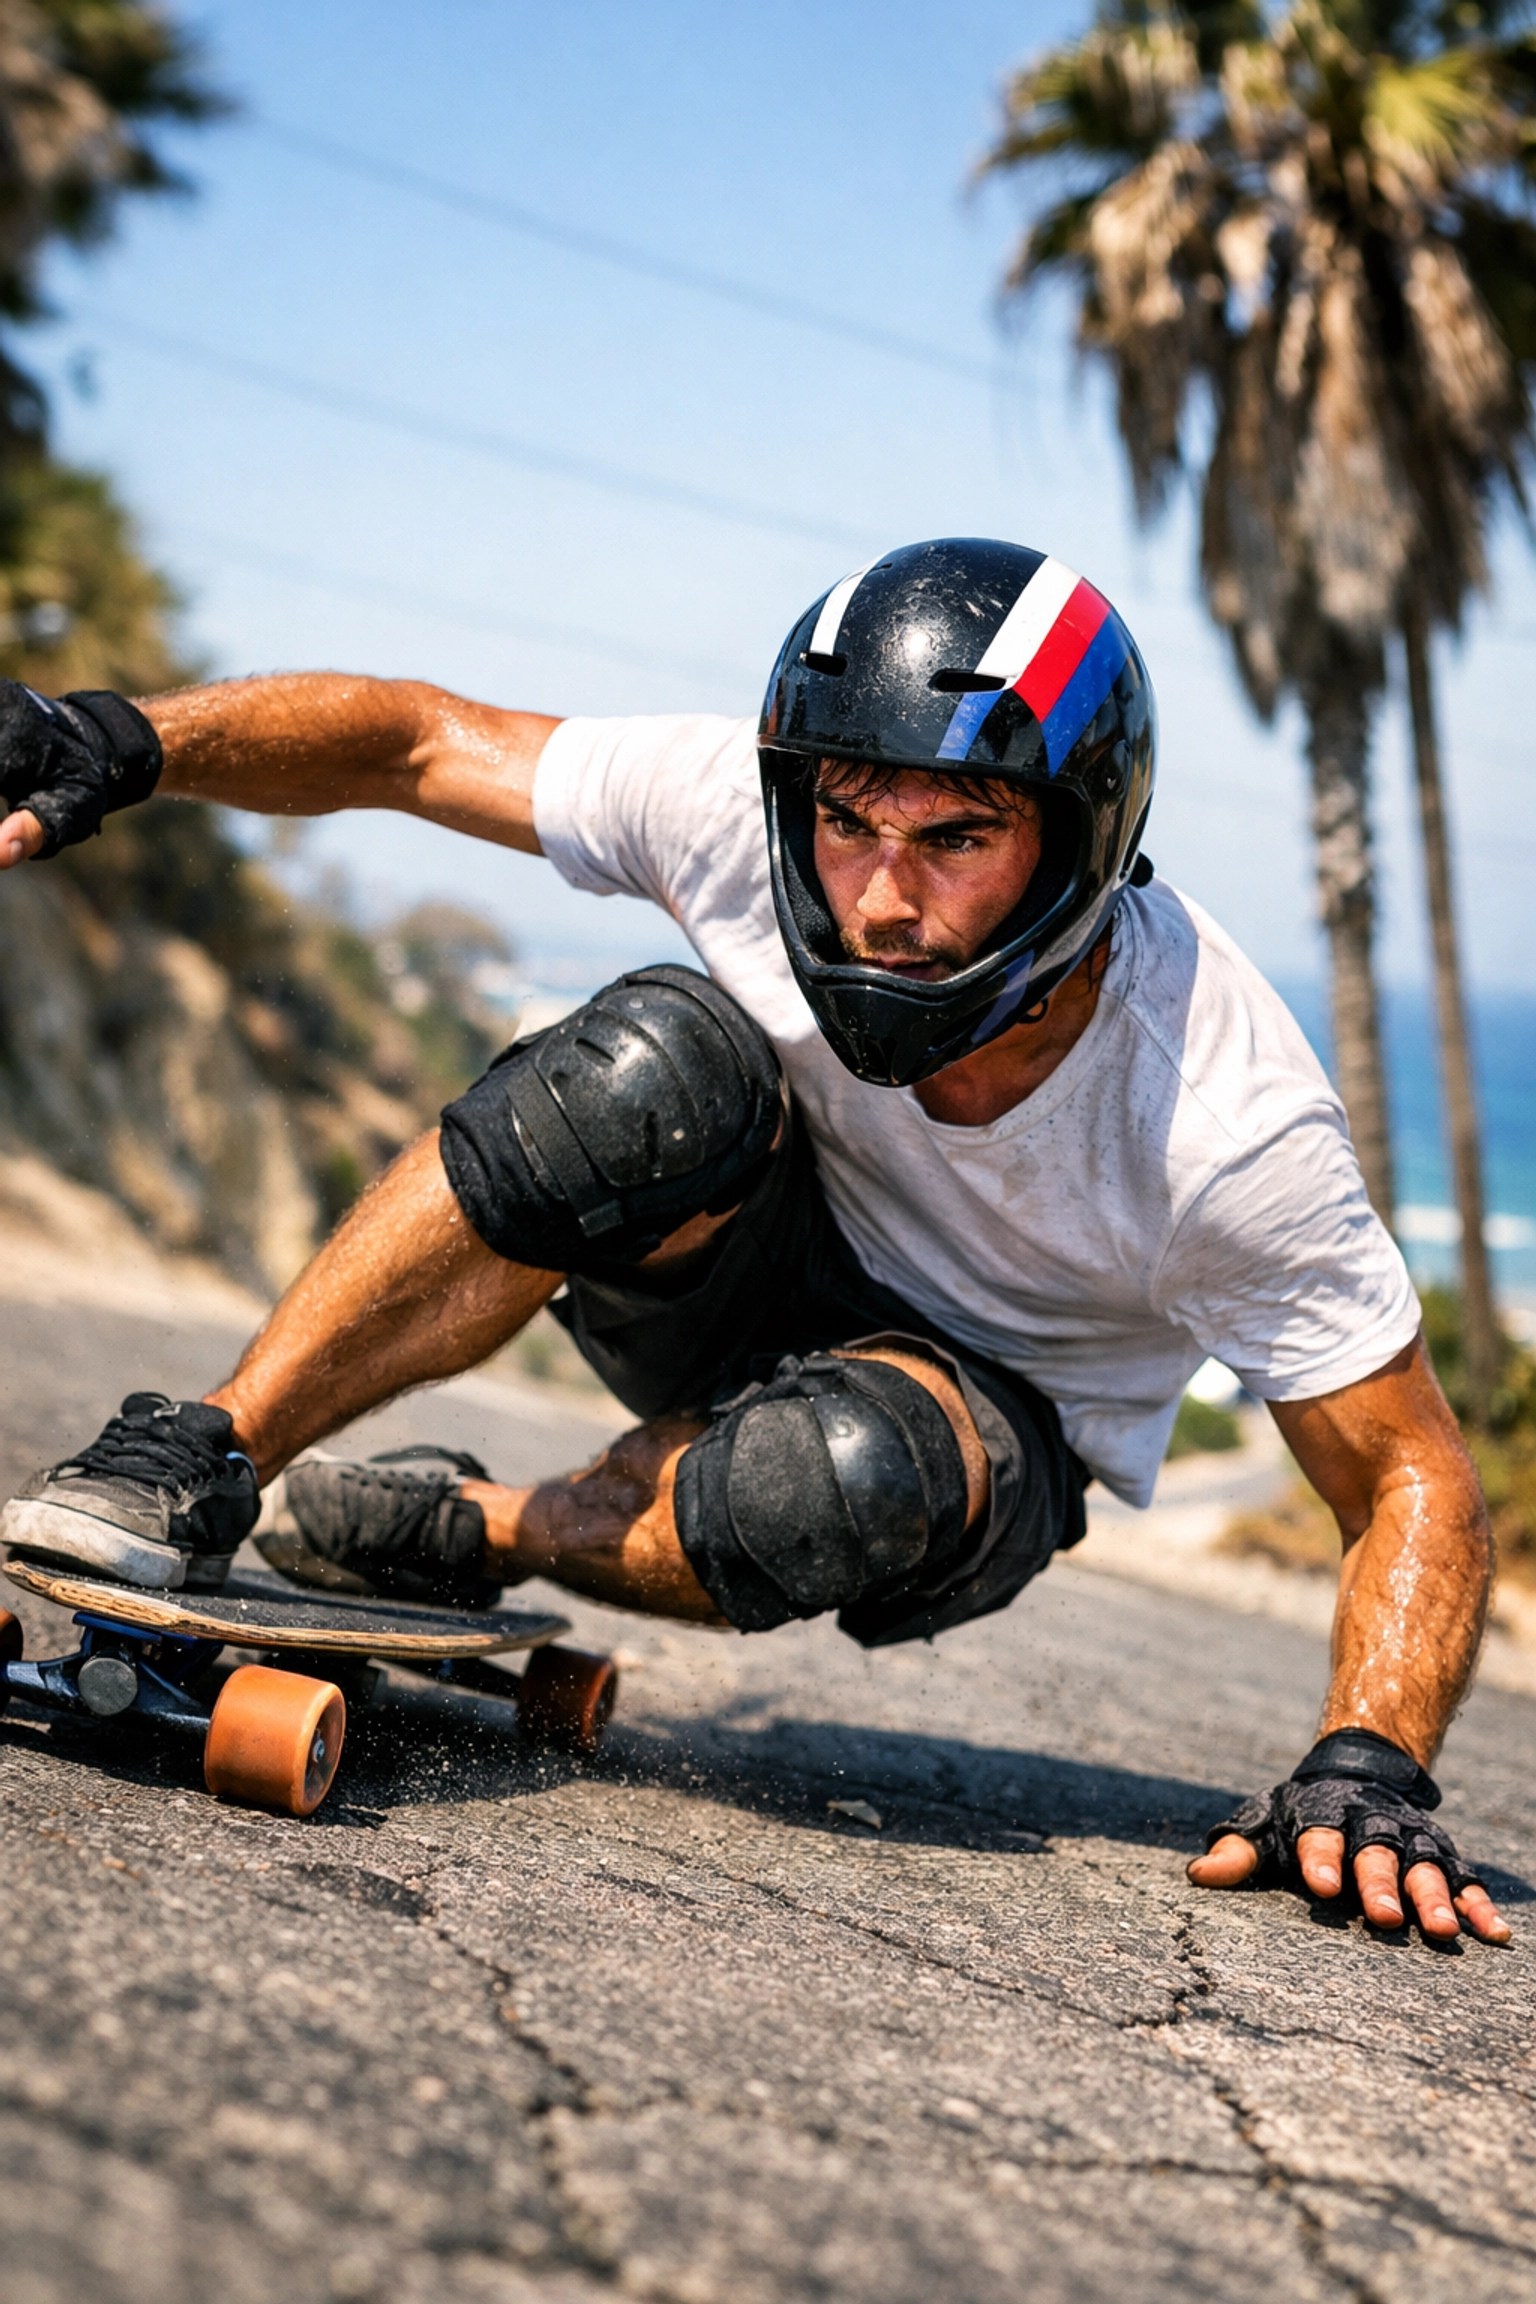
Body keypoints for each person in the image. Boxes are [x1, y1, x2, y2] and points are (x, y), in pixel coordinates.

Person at [0, 537, 1508, 1945]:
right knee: (645, 1071)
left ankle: (474, 1528)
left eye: (958, 838)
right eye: (846, 824)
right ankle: (199, 1451)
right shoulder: (738, 804)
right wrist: (118, 742)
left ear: (1081, 843)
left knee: (828, 1482)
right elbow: (417, 740)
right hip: (741, 1256)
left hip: (983, 1409)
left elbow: (1408, 1469)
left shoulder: (1222, 1114)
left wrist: (1368, 1762)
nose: (879, 895)